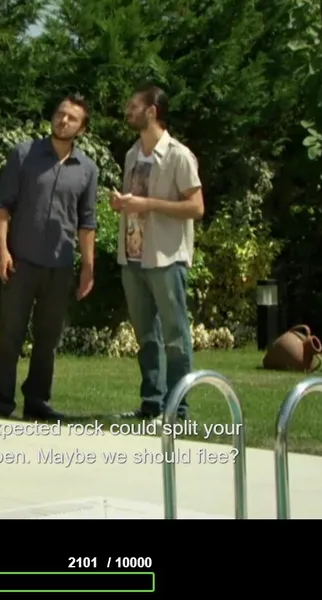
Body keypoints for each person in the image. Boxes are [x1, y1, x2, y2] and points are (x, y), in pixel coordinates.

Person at [0, 95, 99, 421]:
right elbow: (2, 207)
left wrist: (88, 266)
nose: (63, 121)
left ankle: (37, 403)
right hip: (20, 262)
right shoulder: (24, 154)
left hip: (60, 266)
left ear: (82, 128)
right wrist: (2, 250)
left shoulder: (87, 169)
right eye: (60, 114)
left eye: (72, 118)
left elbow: (87, 222)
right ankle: (0, 405)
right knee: (10, 336)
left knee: (48, 340)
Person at [111, 85, 204, 420]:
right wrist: (122, 205)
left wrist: (147, 204)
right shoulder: (132, 154)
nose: (128, 110)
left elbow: (196, 207)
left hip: (166, 259)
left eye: (134, 106)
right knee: (146, 336)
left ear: (152, 111)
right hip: (133, 257)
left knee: (175, 336)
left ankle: (178, 409)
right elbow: (135, 203)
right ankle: (151, 403)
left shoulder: (179, 155)